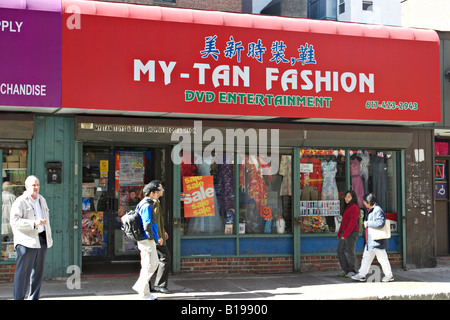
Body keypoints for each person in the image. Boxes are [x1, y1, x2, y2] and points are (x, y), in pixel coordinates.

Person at [10, 175, 53, 300]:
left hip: (42, 239)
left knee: (37, 274)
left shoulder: (42, 199)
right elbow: (15, 221)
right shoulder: (20, 201)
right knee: (22, 274)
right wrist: (33, 223)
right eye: (33, 185)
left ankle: (34, 297)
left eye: (38, 185)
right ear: (26, 186)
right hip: (25, 242)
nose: (36, 187)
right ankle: (19, 298)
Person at [351, 193, 394, 282]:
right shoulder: (370, 209)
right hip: (370, 241)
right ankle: (361, 275)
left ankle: (389, 276)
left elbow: (380, 223)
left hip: (377, 240)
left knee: (382, 259)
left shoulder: (377, 210)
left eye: (364, 201)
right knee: (366, 258)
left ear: (369, 202)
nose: (363, 202)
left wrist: (367, 223)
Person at [132, 180, 161, 300]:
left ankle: (145, 294)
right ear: (152, 193)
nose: (162, 190)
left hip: (146, 240)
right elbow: (147, 223)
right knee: (152, 264)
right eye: (160, 189)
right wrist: (151, 238)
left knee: (147, 266)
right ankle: (140, 287)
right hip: (147, 240)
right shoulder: (147, 205)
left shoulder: (145, 203)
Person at [150, 180, 171, 294]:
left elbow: (158, 220)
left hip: (158, 235)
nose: (163, 190)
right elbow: (151, 222)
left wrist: (163, 231)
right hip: (155, 237)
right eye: (161, 188)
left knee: (151, 261)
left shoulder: (156, 202)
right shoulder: (152, 203)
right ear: (155, 191)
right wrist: (157, 236)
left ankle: (149, 286)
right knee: (165, 258)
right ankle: (159, 285)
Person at [336, 190, 360, 278]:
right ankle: (345, 269)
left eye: (349, 197)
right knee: (340, 251)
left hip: (352, 232)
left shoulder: (354, 207)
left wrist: (345, 234)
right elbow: (343, 222)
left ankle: (352, 271)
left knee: (350, 252)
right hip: (344, 232)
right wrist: (339, 233)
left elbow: (353, 223)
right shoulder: (346, 207)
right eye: (346, 196)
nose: (346, 198)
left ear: (353, 198)